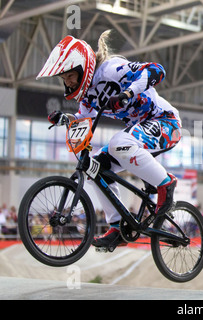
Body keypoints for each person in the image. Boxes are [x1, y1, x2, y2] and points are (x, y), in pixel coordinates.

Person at [36, 31, 182, 250]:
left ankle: (166, 184)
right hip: (139, 130)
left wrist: (127, 94)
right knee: (95, 168)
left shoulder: (111, 70)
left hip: (166, 122)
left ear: (82, 68)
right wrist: (65, 119)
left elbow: (156, 70)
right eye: (64, 79)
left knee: (118, 142)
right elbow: (85, 119)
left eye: (69, 76)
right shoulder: (87, 94)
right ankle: (117, 226)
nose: (67, 82)